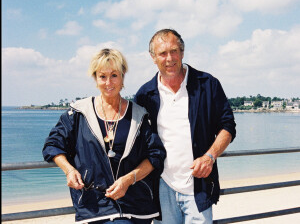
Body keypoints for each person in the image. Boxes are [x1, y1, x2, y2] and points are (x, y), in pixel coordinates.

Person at [43, 48, 166, 224]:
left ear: (123, 76)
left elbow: (156, 155)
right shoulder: (79, 112)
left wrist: (128, 180)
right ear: (95, 78)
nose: (108, 82)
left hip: (136, 206)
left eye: (114, 75)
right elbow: (53, 144)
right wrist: (69, 170)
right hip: (94, 206)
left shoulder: (139, 114)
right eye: (102, 76)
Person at [134, 29, 236, 224]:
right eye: (162, 53)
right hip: (161, 187)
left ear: (182, 52)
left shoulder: (208, 84)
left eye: (174, 51)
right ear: (153, 57)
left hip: (198, 188)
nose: (170, 58)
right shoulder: (144, 95)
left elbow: (228, 126)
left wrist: (210, 156)